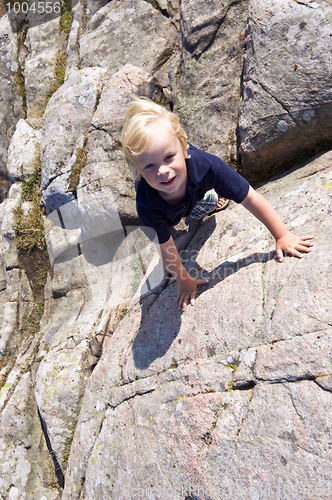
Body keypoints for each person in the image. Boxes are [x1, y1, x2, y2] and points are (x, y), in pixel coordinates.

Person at [121, 97, 314, 312]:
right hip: (163, 211)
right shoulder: (146, 202)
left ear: (184, 148)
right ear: (137, 170)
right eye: (149, 165)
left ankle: (207, 201)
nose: (162, 170)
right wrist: (184, 280)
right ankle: (187, 209)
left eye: (168, 157)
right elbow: (164, 245)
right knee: (166, 230)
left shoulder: (208, 167)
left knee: (205, 203)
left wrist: (282, 235)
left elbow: (250, 197)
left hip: (197, 191)